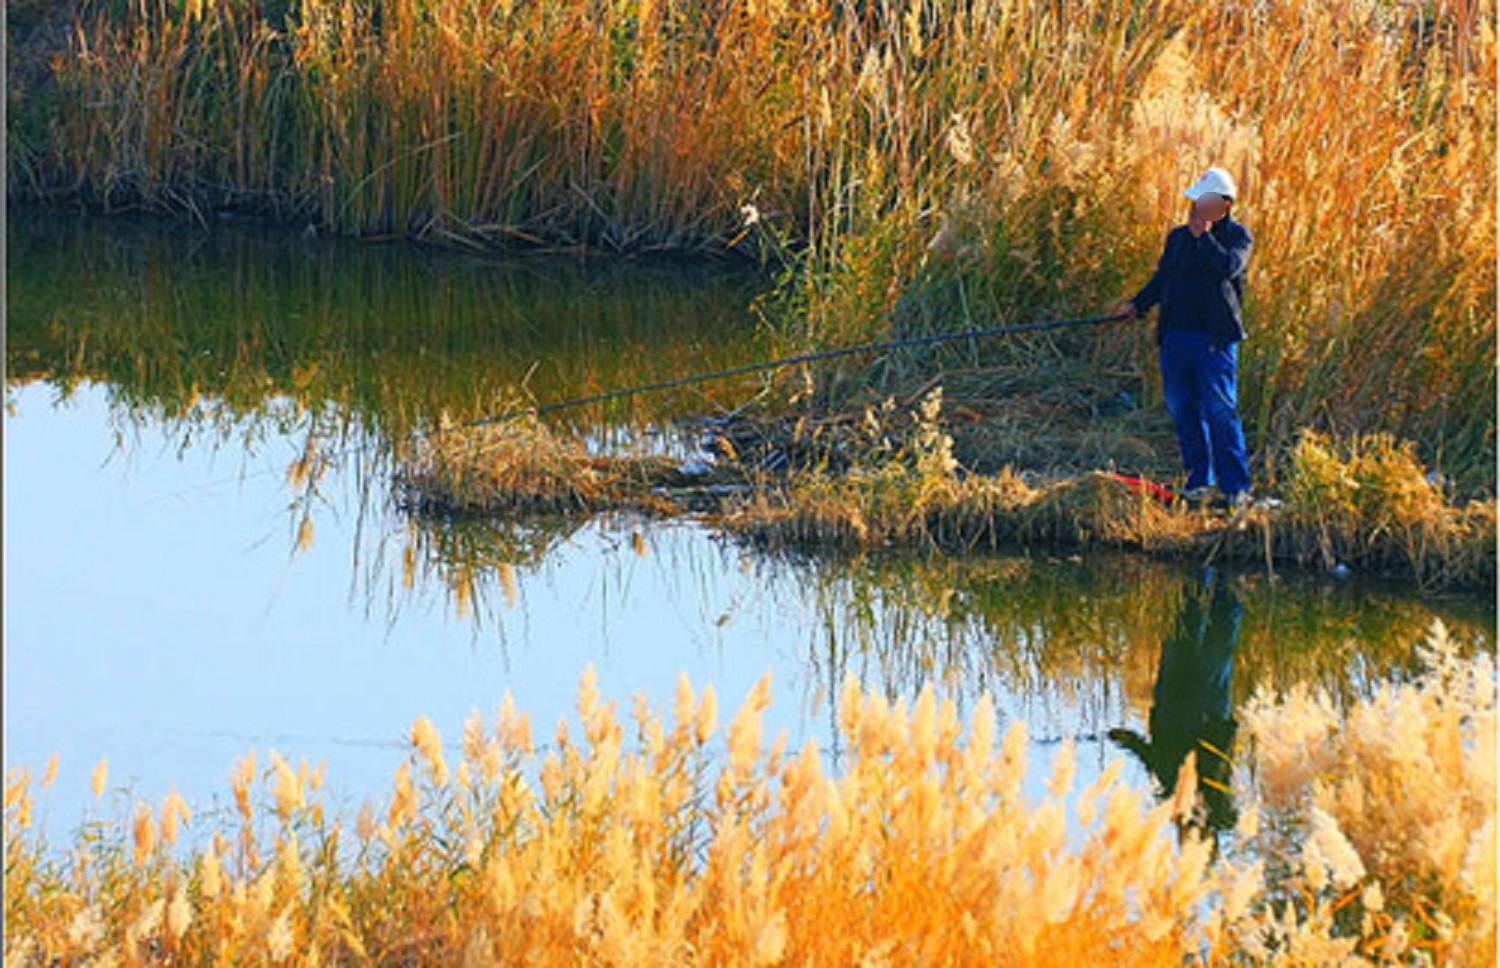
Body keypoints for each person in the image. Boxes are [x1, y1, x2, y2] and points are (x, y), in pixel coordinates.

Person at [1111, 167, 1254, 508]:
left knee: (1221, 411)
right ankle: (1198, 482)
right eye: (1193, 202)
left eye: (1202, 202)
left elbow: (1227, 269)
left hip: (1214, 340)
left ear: (1224, 204)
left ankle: (1236, 490)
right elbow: (1162, 280)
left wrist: (1203, 238)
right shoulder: (1177, 238)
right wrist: (1136, 305)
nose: (1194, 209)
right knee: (1182, 409)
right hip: (1176, 337)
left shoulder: (1237, 237)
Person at [1108, 567, 1242, 851]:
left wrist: (1127, 740)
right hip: (1205, 711)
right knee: (1216, 638)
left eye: (1185, 838)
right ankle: (1225, 573)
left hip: (1176, 703)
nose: (1187, 833)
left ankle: (1206, 573)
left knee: (1188, 631)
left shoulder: (1173, 801)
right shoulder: (1217, 809)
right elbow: (1231, 815)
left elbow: (1152, 760)